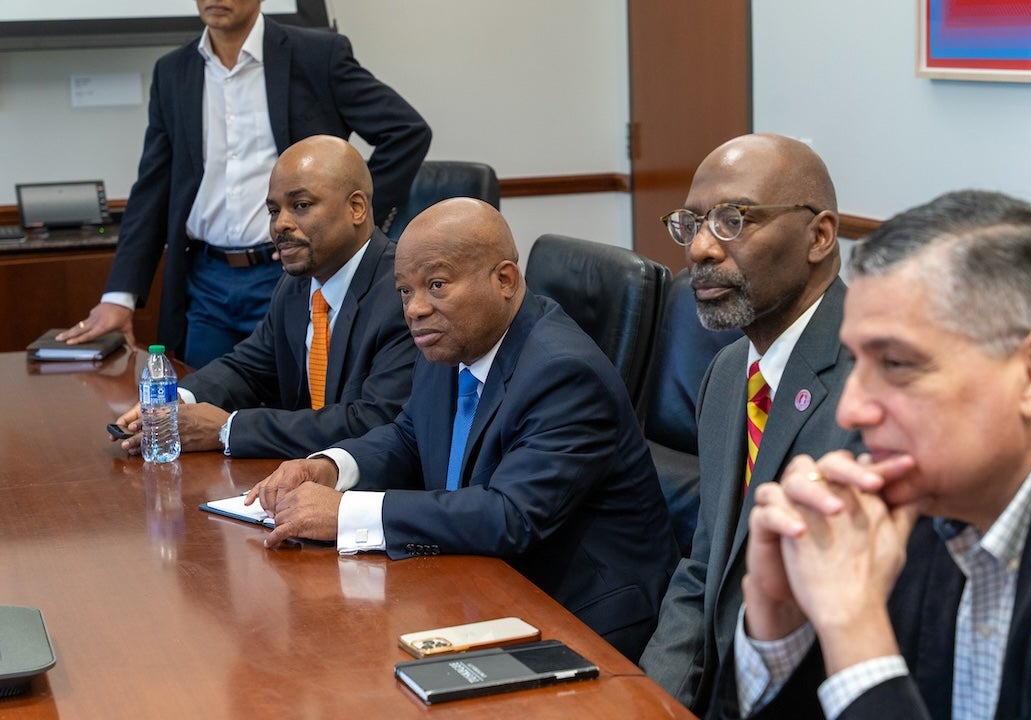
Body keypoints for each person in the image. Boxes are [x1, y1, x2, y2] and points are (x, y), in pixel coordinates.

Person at [244, 197, 680, 661]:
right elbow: (410, 437)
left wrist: (346, 513)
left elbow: (510, 516)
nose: (415, 309)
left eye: (436, 284)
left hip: (579, 616)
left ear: (505, 280)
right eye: (405, 291)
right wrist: (333, 468)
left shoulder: (564, 373)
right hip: (483, 585)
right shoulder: (453, 343)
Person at [733, 189, 1031, 719]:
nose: (850, 412)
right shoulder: (915, 506)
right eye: (855, 362)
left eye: (895, 364)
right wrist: (784, 626)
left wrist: (853, 628)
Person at [58, 0, 431, 367]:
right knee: (201, 402)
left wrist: (351, 220)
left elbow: (406, 132)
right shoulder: (174, 72)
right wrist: (119, 296)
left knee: (296, 409)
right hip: (206, 280)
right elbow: (152, 188)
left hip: (292, 272)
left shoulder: (317, 56)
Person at [638, 133, 863, 712]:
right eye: (691, 224)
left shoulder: (869, 389)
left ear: (820, 236)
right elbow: (703, 570)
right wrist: (648, 703)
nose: (701, 250)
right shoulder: (727, 372)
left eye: (733, 220)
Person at [111, 135, 415, 459]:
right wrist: (176, 402)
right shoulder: (295, 287)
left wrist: (227, 429)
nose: (280, 224)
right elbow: (248, 369)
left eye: (301, 206)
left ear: (356, 208)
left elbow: (373, 422)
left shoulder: (404, 293)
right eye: (273, 210)